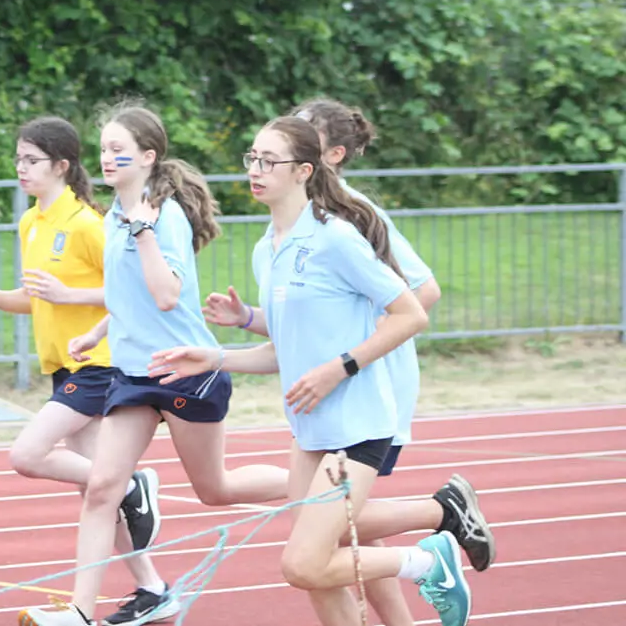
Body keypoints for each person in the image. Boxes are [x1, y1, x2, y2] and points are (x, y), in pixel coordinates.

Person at [149, 116, 476, 626]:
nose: (255, 170)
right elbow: (286, 352)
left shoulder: (337, 238)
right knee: (321, 575)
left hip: (357, 425)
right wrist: (215, 355)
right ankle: (438, 527)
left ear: (304, 170)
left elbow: (412, 313)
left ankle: (429, 560)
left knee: (304, 564)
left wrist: (339, 369)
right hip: (309, 430)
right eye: (251, 159)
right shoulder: (267, 249)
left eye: (268, 161)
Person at [19, 104, 290, 626]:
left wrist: (143, 231)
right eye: (103, 149)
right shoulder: (115, 218)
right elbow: (126, 292)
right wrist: (97, 331)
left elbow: (166, 296)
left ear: (148, 157)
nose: (107, 158)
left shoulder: (162, 217)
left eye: (120, 150)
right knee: (101, 489)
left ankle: (314, 481)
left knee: (216, 490)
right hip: (132, 376)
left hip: (185, 369)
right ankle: (80, 612)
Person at [0, 116, 180, 626]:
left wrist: (72, 296)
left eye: (30, 160)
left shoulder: (86, 224)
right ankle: (153, 587)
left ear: (61, 165)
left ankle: (131, 484)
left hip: (98, 365)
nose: (20, 169)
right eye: (16, 159)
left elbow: (131, 288)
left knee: (28, 455)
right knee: (95, 493)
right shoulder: (31, 222)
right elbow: (38, 302)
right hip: (63, 368)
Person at [287, 97, 493, 626]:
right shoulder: (295, 217)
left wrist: (353, 357)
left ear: (330, 155)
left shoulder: (353, 214)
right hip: (326, 390)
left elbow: (422, 292)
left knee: (333, 526)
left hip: (365, 385)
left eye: (303, 136)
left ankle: (441, 512)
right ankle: (439, 522)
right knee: (345, 527)